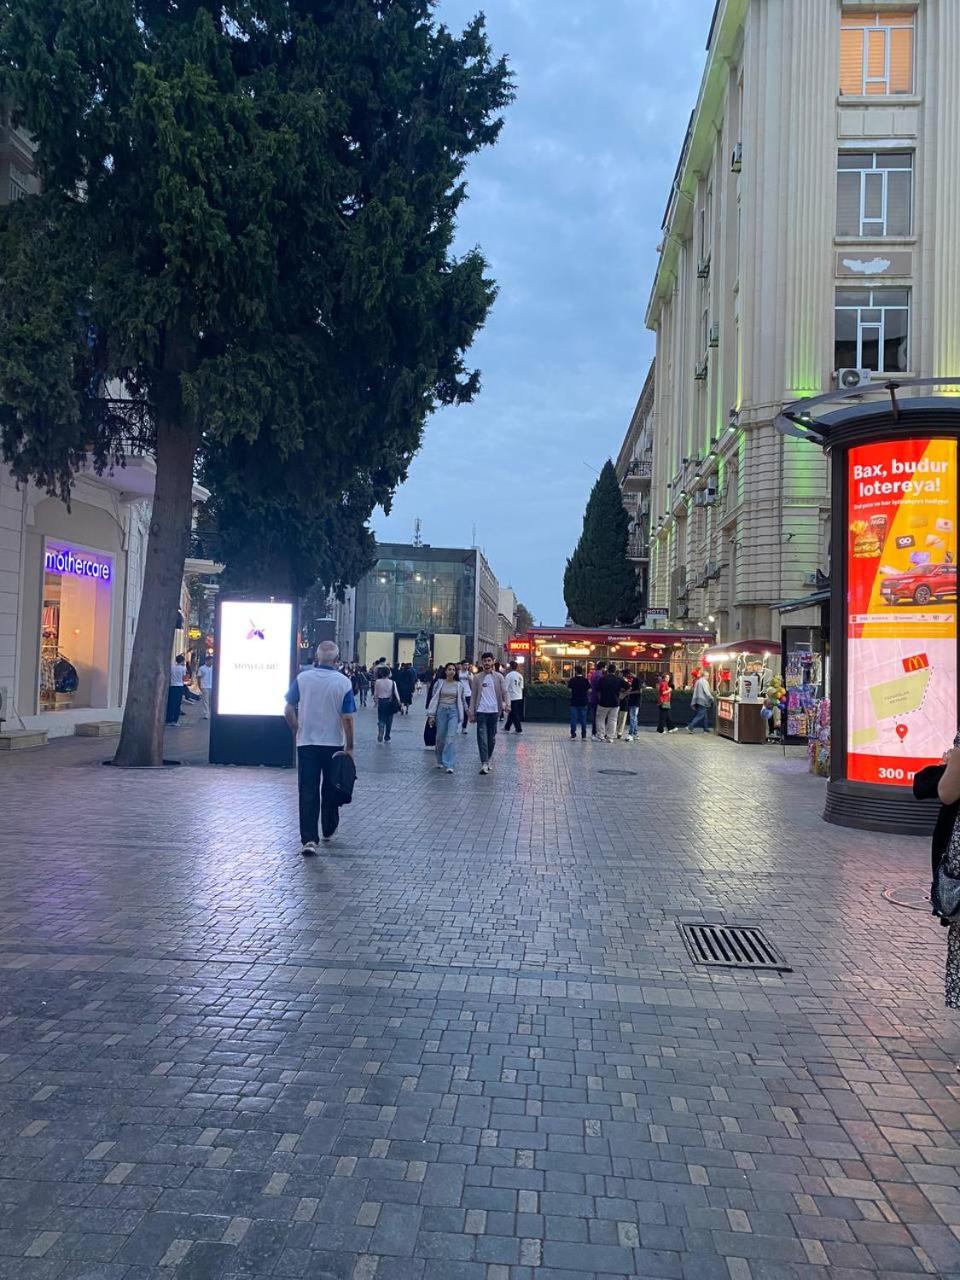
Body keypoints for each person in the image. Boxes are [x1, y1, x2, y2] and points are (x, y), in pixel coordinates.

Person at [284, 640, 356, 855]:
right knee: (332, 786)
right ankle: (329, 827)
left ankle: (308, 839)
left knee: (308, 789)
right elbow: (347, 717)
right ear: (337, 660)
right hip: (333, 743)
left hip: (306, 742)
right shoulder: (343, 682)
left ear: (317, 658)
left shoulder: (303, 679)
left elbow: (288, 708)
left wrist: (296, 729)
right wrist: (350, 746)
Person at [469, 652, 510, 774]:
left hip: (494, 711)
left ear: (493, 661)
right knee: (482, 737)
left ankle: (488, 757)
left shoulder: (499, 677)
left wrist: (507, 704)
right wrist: (472, 712)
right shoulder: (477, 678)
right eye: (484, 661)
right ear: (482, 662)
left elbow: (505, 692)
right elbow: (473, 696)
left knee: (491, 737)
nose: (486, 663)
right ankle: (484, 763)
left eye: (488, 661)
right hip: (481, 711)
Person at [426, 662, 468, 773]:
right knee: (440, 737)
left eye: (454, 670)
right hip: (441, 711)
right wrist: (431, 715)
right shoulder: (439, 683)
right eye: (449, 669)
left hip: (453, 712)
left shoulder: (459, 685)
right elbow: (434, 698)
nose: (451, 671)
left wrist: (468, 711)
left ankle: (449, 763)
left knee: (450, 738)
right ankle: (440, 760)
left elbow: (463, 699)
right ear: (445, 671)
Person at [596, 665, 626, 742]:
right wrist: (623, 695)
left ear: (607, 670)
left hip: (603, 702)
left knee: (600, 719)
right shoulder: (619, 679)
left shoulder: (602, 679)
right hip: (615, 702)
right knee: (613, 720)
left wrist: (600, 699)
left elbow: (598, 690)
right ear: (615, 671)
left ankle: (601, 735)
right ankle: (610, 737)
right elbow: (629, 687)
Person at [373, 666, 399, 742]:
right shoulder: (392, 682)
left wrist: (376, 701)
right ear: (389, 673)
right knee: (389, 720)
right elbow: (396, 693)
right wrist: (399, 702)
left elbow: (375, 693)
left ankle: (381, 727)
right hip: (390, 702)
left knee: (381, 718)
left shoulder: (377, 682)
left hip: (381, 702)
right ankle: (387, 736)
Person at [568, 665, 590, 740]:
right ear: (582, 672)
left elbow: (569, 690)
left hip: (574, 701)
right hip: (583, 701)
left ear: (576, 671)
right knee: (583, 719)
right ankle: (583, 735)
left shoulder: (572, 680)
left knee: (573, 719)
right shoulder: (585, 680)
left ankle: (573, 735)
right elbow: (589, 690)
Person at [688, 669, 714, 733]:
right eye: (707, 676)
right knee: (701, 715)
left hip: (697, 700)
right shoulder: (704, 682)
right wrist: (711, 697)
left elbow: (695, 691)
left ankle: (705, 728)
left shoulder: (698, 681)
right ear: (704, 676)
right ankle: (691, 726)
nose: (708, 677)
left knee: (704, 715)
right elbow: (706, 691)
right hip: (703, 700)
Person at [166, 654, 187, 725]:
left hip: (172, 686)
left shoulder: (172, 667)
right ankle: (175, 720)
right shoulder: (183, 668)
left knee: (171, 703)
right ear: (182, 661)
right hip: (179, 686)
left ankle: (168, 720)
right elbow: (183, 678)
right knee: (177, 704)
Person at [503, 661, 525, 733]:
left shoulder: (509, 676)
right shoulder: (520, 676)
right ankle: (507, 728)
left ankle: (518, 729)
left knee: (514, 713)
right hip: (519, 696)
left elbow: (505, 688)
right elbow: (521, 687)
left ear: (510, 667)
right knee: (512, 713)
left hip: (512, 697)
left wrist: (504, 698)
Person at [588, 661, 606, 738]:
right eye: (605, 667)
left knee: (595, 716)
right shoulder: (600, 675)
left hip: (593, 697)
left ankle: (594, 732)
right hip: (598, 698)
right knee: (599, 717)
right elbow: (600, 688)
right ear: (602, 667)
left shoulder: (594, 674)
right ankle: (595, 733)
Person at [625, 675, 644, 741]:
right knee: (634, 718)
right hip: (634, 702)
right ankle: (635, 734)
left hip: (635, 702)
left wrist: (630, 693)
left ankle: (631, 734)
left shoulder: (637, 680)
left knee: (633, 717)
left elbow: (640, 691)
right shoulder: (635, 680)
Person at [197, 654, 215, 720]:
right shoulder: (202, 668)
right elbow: (199, 678)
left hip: (212, 686)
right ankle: (206, 714)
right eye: (210, 661)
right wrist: (200, 686)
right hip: (205, 686)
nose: (211, 662)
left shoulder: (214, 668)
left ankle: (211, 712)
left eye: (212, 661)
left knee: (211, 701)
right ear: (206, 661)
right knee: (206, 701)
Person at [458, 661, 473, 733]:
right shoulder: (458, 673)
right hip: (459, 694)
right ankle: (456, 725)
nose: (466, 666)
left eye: (467, 665)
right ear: (461, 665)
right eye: (465, 665)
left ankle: (464, 727)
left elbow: (472, 684)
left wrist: (470, 679)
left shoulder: (470, 674)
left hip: (468, 694)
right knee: (458, 710)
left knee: (466, 711)